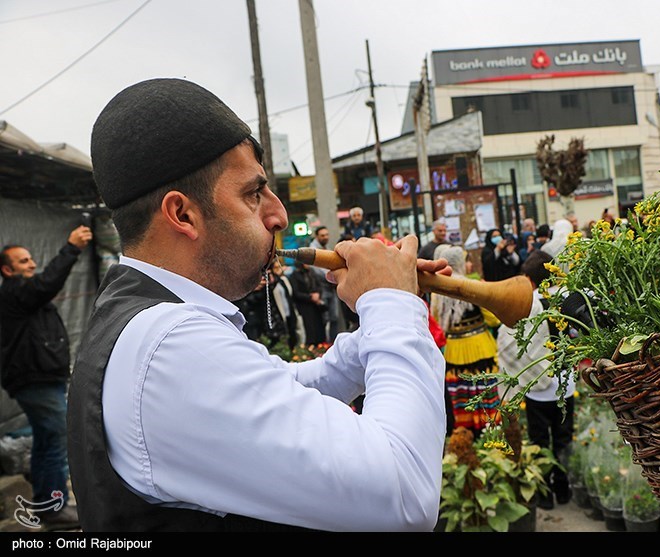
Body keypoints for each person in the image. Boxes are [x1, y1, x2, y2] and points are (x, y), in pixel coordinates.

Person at [66, 78, 449, 532]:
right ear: (182, 214)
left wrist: (378, 316)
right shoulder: (170, 344)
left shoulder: (145, 319)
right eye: (253, 194)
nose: (279, 215)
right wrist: (391, 305)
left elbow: (287, 388)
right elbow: (403, 495)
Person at [0, 225, 92, 531]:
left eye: (30, 259)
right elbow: (46, 284)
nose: (32, 264)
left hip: (42, 379)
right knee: (55, 440)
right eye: (23, 261)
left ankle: (46, 502)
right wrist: (71, 248)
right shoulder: (16, 292)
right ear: (7, 270)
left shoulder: (24, 295)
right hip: (34, 381)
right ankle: (55, 508)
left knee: (46, 440)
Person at [496, 249, 576, 510]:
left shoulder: (524, 303)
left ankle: (544, 494)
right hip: (564, 384)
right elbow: (577, 334)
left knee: (540, 440)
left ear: (528, 278)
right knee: (564, 438)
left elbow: (508, 341)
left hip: (535, 388)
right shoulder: (566, 299)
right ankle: (564, 489)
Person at [431, 245, 501, 439]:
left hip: (453, 351)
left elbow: (436, 321)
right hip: (481, 348)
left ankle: (465, 436)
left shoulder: (438, 289)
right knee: (484, 394)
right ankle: (488, 436)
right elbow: (492, 319)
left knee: (461, 397)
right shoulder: (472, 286)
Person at [308, 225, 340, 343]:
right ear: (317, 236)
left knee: (334, 318)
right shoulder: (313, 249)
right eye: (322, 235)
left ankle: (333, 343)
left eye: (327, 235)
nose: (325, 237)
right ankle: (325, 346)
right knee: (324, 320)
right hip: (320, 289)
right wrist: (333, 276)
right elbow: (316, 270)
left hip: (331, 288)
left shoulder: (326, 247)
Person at [289, 261, 327, 346]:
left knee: (319, 327)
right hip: (305, 306)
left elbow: (319, 285)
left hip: (316, 305)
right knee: (309, 328)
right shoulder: (294, 275)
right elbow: (296, 293)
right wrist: (310, 297)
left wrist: (317, 295)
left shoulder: (311, 272)